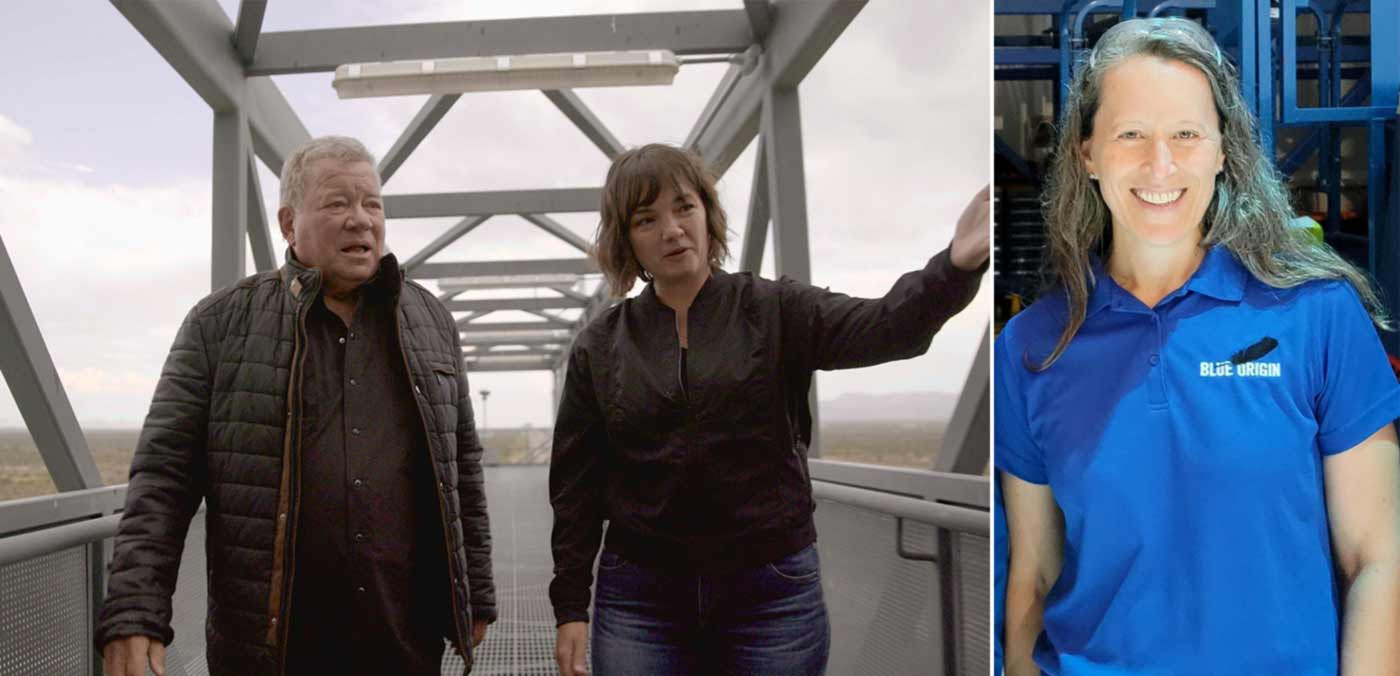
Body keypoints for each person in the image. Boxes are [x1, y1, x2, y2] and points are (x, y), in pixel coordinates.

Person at [996, 18, 1400, 675]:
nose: (1161, 165)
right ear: (1088, 155)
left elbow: (1377, 556)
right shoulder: (1032, 347)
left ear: (1221, 150)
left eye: (1186, 134)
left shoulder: (1318, 317)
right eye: (1131, 135)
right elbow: (1035, 571)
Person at [548, 143, 989, 676]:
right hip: (641, 595)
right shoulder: (601, 345)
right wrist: (571, 606)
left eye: (684, 207)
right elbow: (576, 484)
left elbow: (885, 328)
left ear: (708, 215)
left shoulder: (775, 309)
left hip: (770, 590)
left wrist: (954, 268)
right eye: (647, 219)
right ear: (627, 241)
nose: (671, 229)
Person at [95, 136, 496, 675]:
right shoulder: (219, 325)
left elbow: (462, 469)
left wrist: (477, 594)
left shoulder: (430, 321)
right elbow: (163, 479)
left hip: (403, 640)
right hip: (272, 651)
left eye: (372, 204)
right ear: (288, 224)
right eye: (337, 203)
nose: (361, 220)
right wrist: (135, 611)